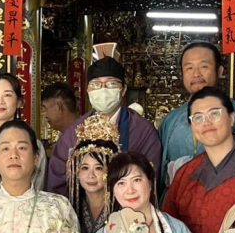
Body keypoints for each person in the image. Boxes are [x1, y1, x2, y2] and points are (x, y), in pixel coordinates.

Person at [47, 54, 161, 196]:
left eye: (111, 84)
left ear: (123, 90)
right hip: (81, 207)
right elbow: (57, 178)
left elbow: (150, 177)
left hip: (127, 205)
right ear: (88, 90)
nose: (103, 90)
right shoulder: (75, 130)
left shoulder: (143, 130)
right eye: (96, 84)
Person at [159, 42, 235, 190]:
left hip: (227, 194)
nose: (196, 74)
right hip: (178, 196)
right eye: (189, 68)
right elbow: (162, 171)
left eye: (204, 66)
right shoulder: (170, 120)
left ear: (219, 71)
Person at [162, 87, 235, 233]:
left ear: (232, 118)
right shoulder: (185, 173)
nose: (206, 122)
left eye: (214, 114)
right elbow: (169, 230)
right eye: (198, 117)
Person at [66, 118, 119, 233]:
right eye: (85, 168)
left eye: (99, 168)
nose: (91, 175)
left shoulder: (121, 206)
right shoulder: (68, 207)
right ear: (76, 172)